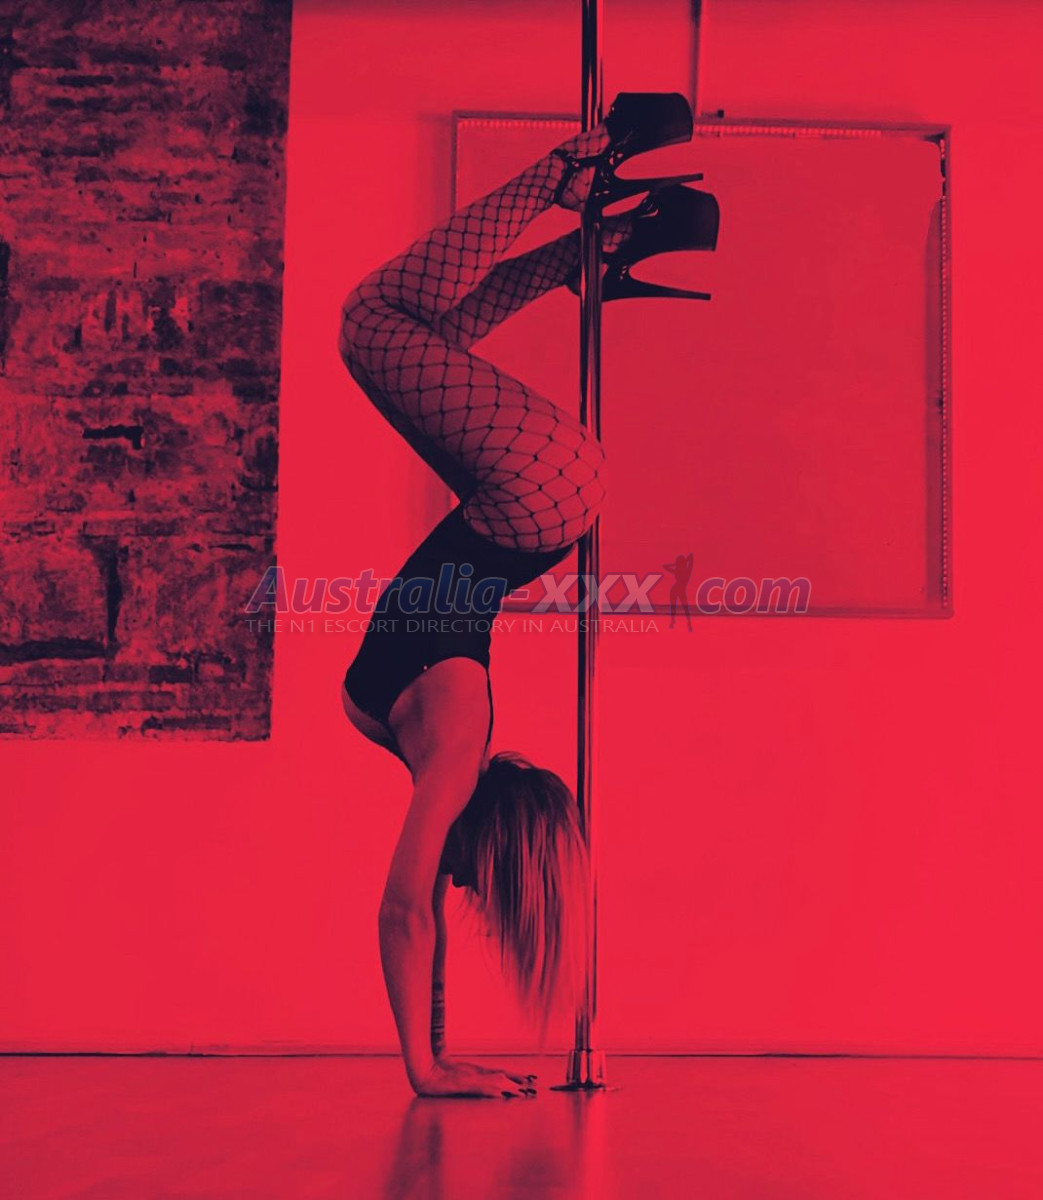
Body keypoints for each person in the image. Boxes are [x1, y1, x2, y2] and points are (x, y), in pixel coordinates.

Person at [338, 93, 717, 1098]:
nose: (457, 884)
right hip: (532, 491)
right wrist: (425, 1070)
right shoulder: (452, 750)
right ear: (488, 838)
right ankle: (578, 164)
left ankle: (603, 247)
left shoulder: (437, 750)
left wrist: (434, 1051)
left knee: (418, 333)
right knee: (369, 322)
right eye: (478, 880)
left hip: (535, 504)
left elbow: (419, 903)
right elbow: (402, 911)